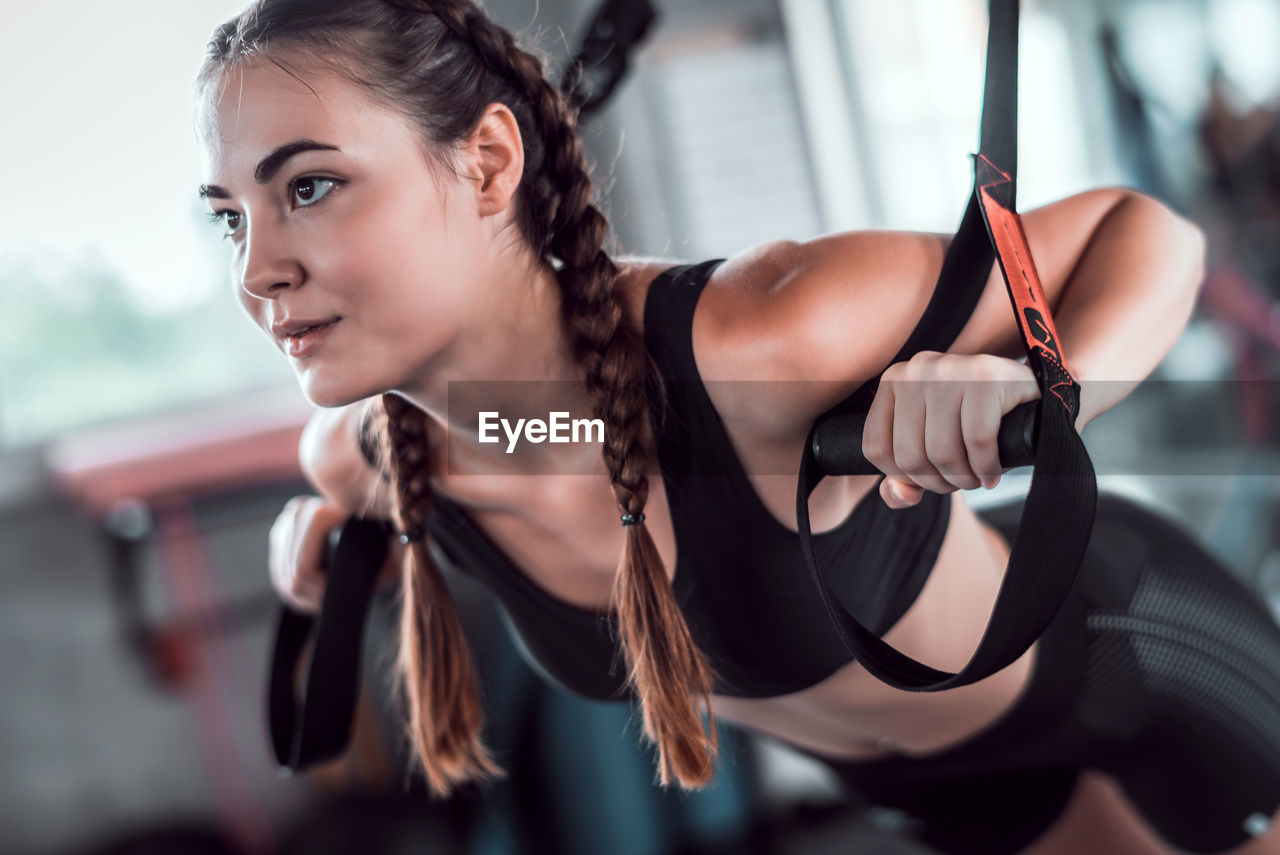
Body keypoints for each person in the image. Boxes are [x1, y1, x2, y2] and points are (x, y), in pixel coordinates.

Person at [194, 2, 1280, 853]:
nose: (257, 270)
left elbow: (1142, 236)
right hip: (939, 789)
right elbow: (393, 475)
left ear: (485, 163)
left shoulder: (762, 338)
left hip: (1141, 676)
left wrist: (1052, 386)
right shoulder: (379, 457)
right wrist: (325, 540)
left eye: (313, 186)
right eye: (232, 214)